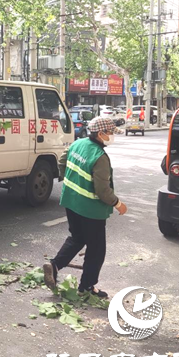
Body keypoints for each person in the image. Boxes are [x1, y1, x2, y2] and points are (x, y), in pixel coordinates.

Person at [43, 117, 127, 298]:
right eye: (111, 133)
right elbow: (103, 191)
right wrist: (118, 204)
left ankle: (55, 266)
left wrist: (69, 180)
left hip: (71, 202)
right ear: (101, 134)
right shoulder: (100, 157)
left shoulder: (77, 144)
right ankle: (87, 287)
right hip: (91, 210)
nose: (112, 136)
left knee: (77, 237)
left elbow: (62, 162)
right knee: (97, 250)